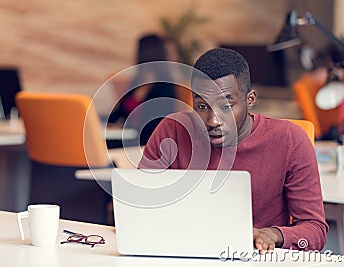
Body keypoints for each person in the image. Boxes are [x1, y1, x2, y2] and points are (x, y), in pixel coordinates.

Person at [139, 48, 328, 253]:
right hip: (184, 254)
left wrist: (273, 234)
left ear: (250, 100)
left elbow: (315, 230)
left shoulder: (290, 140)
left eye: (227, 106)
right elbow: (139, 204)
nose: (213, 120)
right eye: (202, 106)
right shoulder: (172, 130)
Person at [108, 34, 178, 145]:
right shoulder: (137, 81)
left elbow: (156, 123)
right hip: (131, 136)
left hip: (148, 141)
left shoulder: (165, 87)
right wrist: (110, 124)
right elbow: (120, 111)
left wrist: (127, 129)